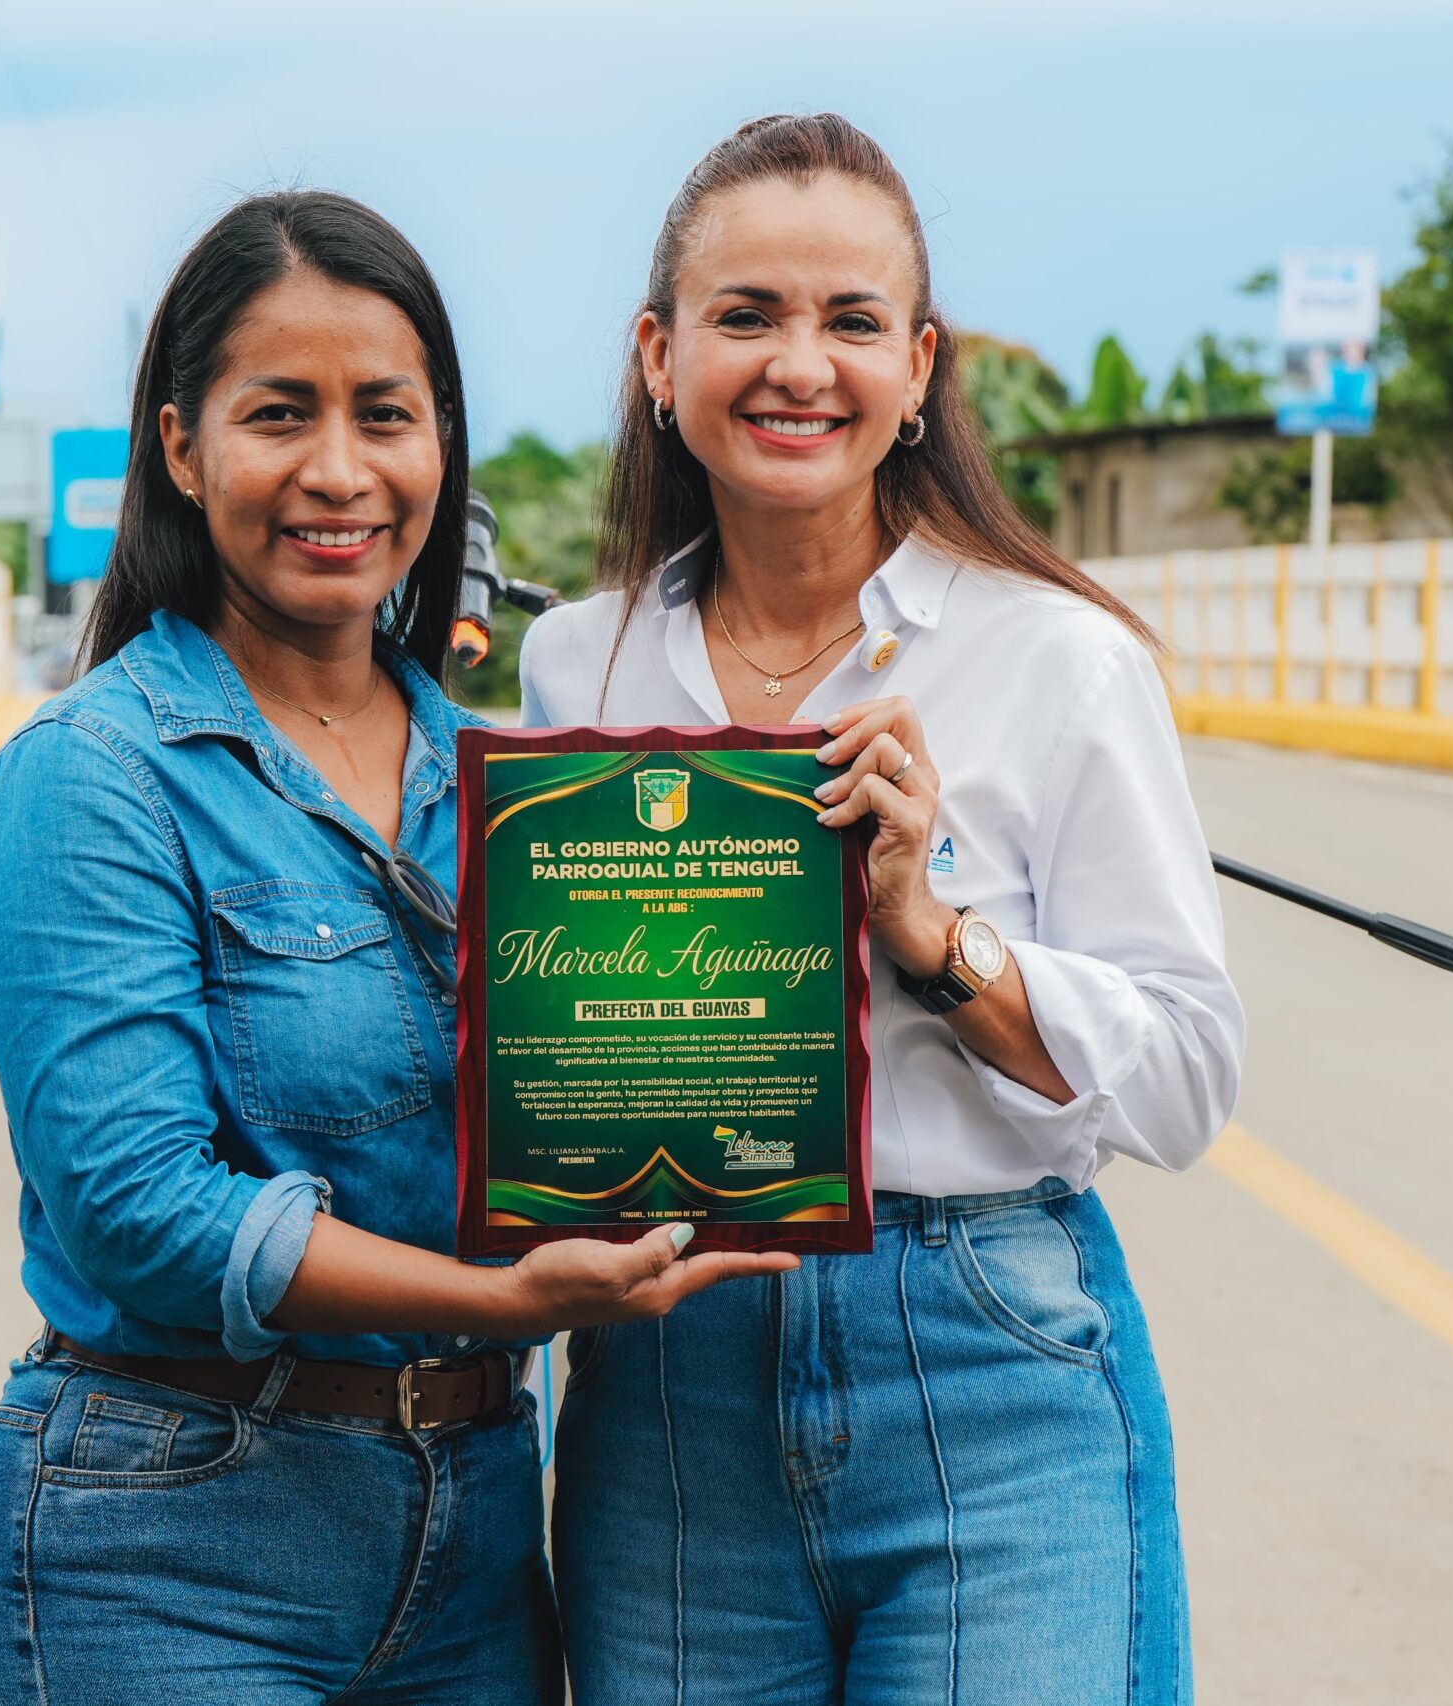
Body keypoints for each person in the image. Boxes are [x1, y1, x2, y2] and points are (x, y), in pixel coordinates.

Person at [0, 190, 794, 1706]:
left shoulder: (509, 788)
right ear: (183, 446)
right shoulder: (95, 773)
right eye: (280, 414)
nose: (338, 471)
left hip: (473, 1545)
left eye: (384, 415)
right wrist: (514, 1303)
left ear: (439, 448)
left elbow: (591, 1114)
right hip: (165, 1550)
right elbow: (141, 1210)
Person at [520, 116, 1244, 1705]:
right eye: (746, 314)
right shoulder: (577, 664)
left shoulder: (1058, 659)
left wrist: (933, 932)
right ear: (659, 355)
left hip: (983, 1347)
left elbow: (1189, 1078)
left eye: (853, 322)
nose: (801, 364)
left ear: (919, 371)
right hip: (666, 1377)